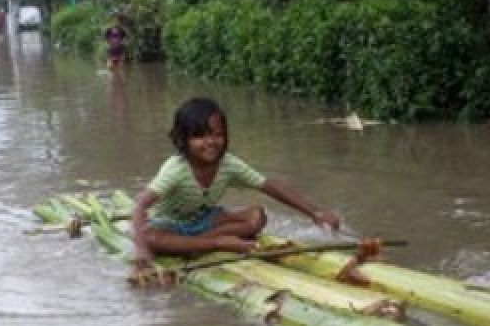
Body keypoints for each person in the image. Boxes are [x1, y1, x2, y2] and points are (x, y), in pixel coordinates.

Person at [131, 97, 341, 271]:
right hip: (170, 226)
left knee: (257, 216)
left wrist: (316, 213)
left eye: (217, 135)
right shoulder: (176, 169)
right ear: (183, 140)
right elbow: (140, 204)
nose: (211, 142)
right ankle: (215, 243)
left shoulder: (228, 164)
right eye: (200, 136)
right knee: (150, 237)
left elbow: (270, 187)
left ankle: (196, 245)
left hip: (203, 221)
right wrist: (141, 250)